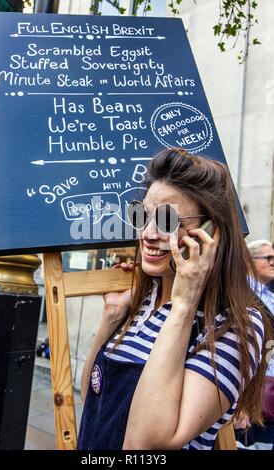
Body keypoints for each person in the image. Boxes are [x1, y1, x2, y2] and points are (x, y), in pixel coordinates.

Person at [77, 148, 271, 450]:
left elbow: (146, 443)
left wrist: (183, 305)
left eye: (168, 220)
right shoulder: (140, 300)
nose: (148, 233)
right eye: (142, 215)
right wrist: (112, 316)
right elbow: (93, 398)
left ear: (211, 233)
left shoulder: (235, 324)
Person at [234, 239, 274, 450]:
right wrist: (242, 402)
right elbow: (240, 350)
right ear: (249, 260)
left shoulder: (269, 296)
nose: (273, 262)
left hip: (270, 390)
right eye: (268, 258)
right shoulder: (239, 294)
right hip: (252, 393)